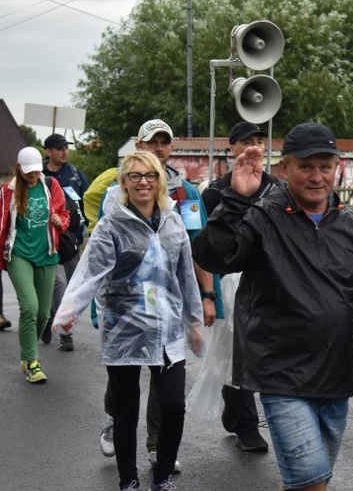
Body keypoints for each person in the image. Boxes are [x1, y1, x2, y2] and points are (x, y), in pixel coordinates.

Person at [193, 121, 353, 491]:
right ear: (285, 169)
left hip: (333, 377)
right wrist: (235, 200)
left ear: (336, 169)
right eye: (306, 167)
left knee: (309, 480)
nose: (317, 177)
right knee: (311, 481)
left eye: (325, 167)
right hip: (279, 376)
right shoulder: (262, 217)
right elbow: (217, 256)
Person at [52, 150, 204, 491]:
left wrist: (193, 320)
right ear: (124, 183)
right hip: (125, 330)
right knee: (125, 412)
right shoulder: (111, 225)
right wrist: (69, 308)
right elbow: (91, 272)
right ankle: (128, 480)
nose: (143, 182)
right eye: (134, 176)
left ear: (159, 181)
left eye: (150, 175)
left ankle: (162, 475)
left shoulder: (173, 221)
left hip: (167, 332)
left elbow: (185, 276)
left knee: (174, 406)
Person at [95, 119, 215, 470]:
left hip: (168, 304)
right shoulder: (114, 191)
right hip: (126, 306)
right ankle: (115, 416)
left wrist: (207, 295)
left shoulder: (186, 194)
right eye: (151, 142)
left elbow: (196, 247)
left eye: (164, 142)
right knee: (124, 377)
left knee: (164, 379)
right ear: (139, 146)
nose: (158, 148)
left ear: (170, 148)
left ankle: (155, 444)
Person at [198, 121, 277, 452]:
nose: (254, 147)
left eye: (260, 141)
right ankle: (246, 424)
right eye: (247, 142)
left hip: (269, 280)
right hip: (230, 282)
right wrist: (208, 295)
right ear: (232, 149)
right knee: (235, 352)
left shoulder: (275, 188)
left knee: (268, 351)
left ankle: (236, 411)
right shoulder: (214, 191)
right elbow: (201, 248)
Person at [0, 147, 69, 383]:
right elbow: (2, 224)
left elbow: (64, 214)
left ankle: (28, 352)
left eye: (36, 171)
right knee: (29, 307)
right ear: (19, 169)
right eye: (28, 171)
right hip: (19, 254)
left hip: (47, 253)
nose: (32, 175)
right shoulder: (7, 191)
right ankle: (31, 361)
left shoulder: (51, 185)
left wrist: (61, 221)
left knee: (43, 312)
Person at [40, 133, 90, 350]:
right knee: (58, 284)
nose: (65, 152)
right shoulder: (37, 175)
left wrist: (86, 229)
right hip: (49, 242)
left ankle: (53, 316)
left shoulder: (76, 176)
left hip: (73, 242)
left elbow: (87, 201)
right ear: (48, 151)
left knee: (73, 288)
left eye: (66, 148)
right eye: (59, 148)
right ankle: (65, 333)